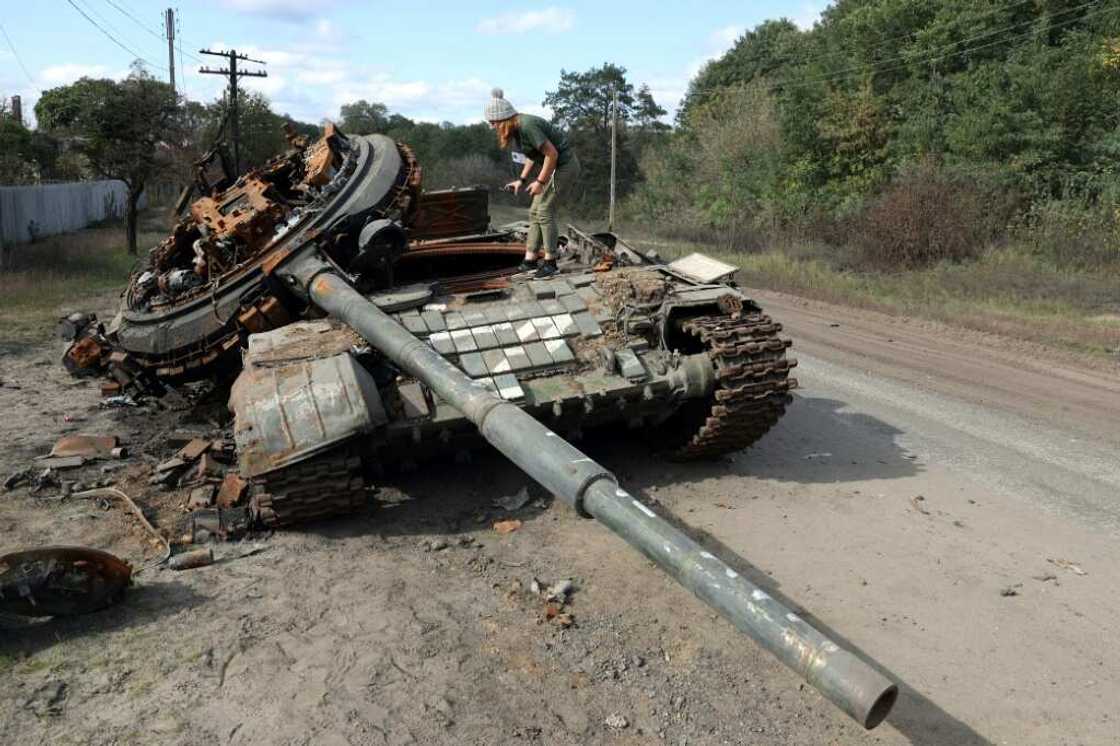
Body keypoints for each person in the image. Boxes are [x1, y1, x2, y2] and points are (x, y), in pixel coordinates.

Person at [485, 88, 580, 279]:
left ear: (503, 119)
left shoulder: (527, 126)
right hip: (553, 168)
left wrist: (540, 181)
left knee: (544, 210)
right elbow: (532, 156)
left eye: (493, 123)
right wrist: (521, 180)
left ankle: (551, 262)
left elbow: (552, 154)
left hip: (565, 167)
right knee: (534, 211)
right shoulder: (518, 130)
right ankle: (530, 260)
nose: (493, 127)